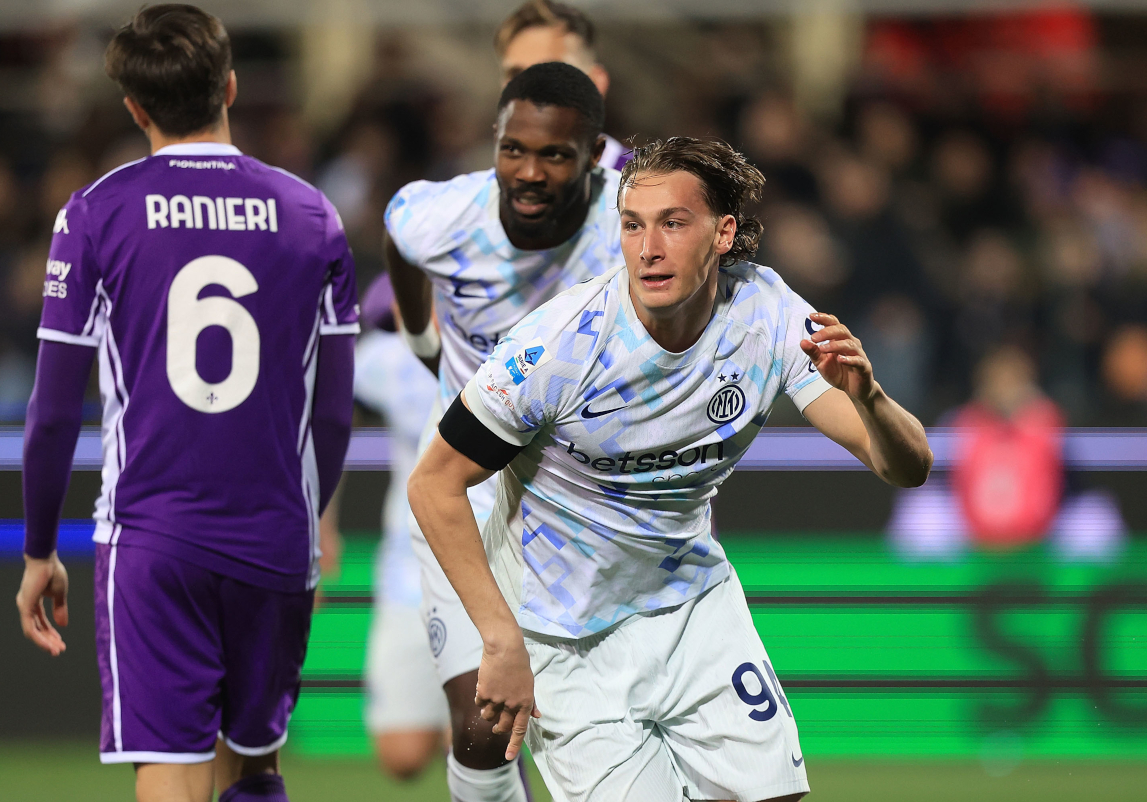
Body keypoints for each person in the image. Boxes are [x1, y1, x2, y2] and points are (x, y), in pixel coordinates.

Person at [408, 137, 934, 802]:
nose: (648, 248)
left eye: (673, 223)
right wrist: (499, 638)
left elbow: (906, 466)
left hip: (692, 609)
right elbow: (434, 483)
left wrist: (870, 397)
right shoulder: (558, 348)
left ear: (723, 233)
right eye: (633, 225)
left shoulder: (767, 314)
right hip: (564, 637)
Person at [14, 6, 358, 802]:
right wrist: (309, 519)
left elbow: (53, 411)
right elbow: (334, 414)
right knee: (256, 762)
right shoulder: (313, 215)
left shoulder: (94, 214)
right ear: (230, 87)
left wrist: (38, 550)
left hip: (153, 538)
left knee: (170, 766)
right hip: (274, 535)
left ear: (135, 108)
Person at [385, 62, 624, 801]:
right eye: (513, 149)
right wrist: (423, 340)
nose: (528, 172)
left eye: (554, 155)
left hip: (586, 503)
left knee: (607, 730)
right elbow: (400, 242)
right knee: (486, 724)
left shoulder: (632, 228)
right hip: (467, 489)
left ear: (594, 155)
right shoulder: (437, 217)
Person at [354, 274, 449, 778]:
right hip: (406, 571)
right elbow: (319, 407)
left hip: (492, 569)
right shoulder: (384, 360)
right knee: (402, 756)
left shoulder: (504, 349)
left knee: (480, 742)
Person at [495, 0, 630, 171]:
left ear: (596, 84)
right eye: (516, 75)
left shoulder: (648, 183)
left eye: (553, 72)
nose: (530, 88)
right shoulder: (478, 187)